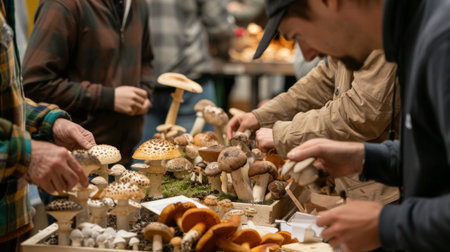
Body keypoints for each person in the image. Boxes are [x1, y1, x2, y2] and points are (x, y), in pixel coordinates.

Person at [254, 0, 450, 251]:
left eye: (298, 36)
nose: (308, 55)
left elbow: (364, 111)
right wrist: (366, 158)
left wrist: (385, 225)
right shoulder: (415, 31)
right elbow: (434, 158)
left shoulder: (441, 42)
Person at [0, 2, 95, 250]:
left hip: (11, 218)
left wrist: (48, 122)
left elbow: (7, 98)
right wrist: (24, 154)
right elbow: (39, 79)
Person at [22, 0, 153, 166]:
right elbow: (34, 84)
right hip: (77, 161)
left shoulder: (137, 4)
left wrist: (145, 92)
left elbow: (146, 60)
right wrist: (108, 98)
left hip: (126, 155)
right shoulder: (62, 5)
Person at [139, 0, 233, 141]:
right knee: (194, 154)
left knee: (146, 158)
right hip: (190, 79)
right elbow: (220, 27)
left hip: (144, 83)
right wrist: (224, 52)